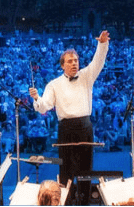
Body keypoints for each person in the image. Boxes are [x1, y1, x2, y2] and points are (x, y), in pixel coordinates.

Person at [30, 30, 110, 198]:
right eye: (70, 61)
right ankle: (66, 201)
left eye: (76, 60)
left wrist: (102, 44)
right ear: (62, 65)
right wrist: (37, 98)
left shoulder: (87, 76)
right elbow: (44, 107)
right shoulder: (54, 84)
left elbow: (98, 61)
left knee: (86, 170)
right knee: (65, 169)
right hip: (65, 128)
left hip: (85, 126)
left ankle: (85, 201)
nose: (74, 64)